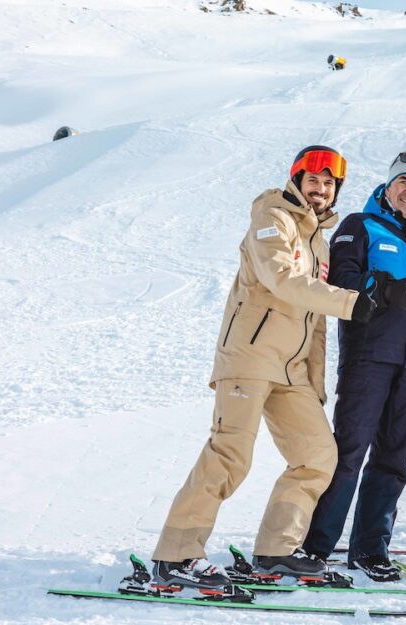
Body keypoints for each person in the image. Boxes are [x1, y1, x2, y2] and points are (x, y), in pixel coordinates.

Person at [149, 145, 377, 597]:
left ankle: (277, 549)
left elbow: (313, 324)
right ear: (296, 180)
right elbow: (282, 281)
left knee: (317, 456)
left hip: (291, 372)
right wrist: (351, 303)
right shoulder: (271, 217)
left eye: (329, 183)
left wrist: (313, 381)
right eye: (312, 178)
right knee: (230, 454)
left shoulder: (318, 240)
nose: (321, 187)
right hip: (250, 358)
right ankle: (175, 555)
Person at [302, 151, 406, 581]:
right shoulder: (360, 226)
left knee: (393, 458)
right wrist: (384, 290)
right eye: (404, 182)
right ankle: (315, 548)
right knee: (348, 452)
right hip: (370, 356)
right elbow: (340, 280)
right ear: (388, 188)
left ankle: (370, 549)